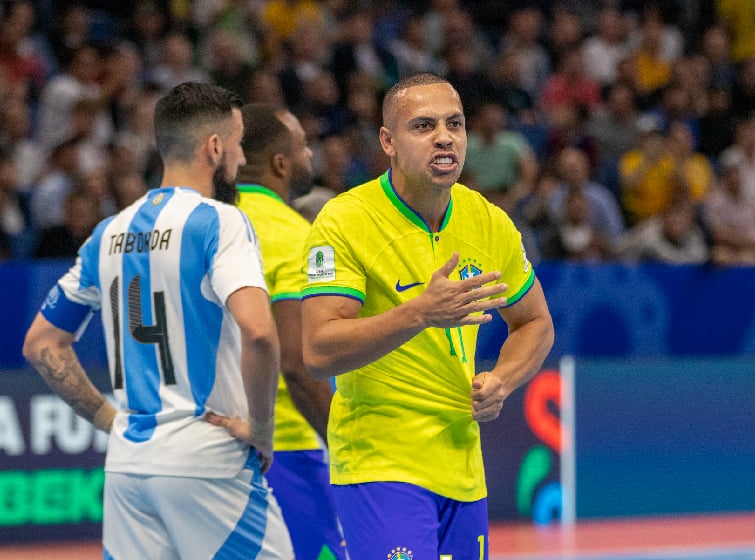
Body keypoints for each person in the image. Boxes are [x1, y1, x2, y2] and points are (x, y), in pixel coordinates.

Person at [21, 82, 293, 559]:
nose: (240, 155)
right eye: (237, 141)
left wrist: (108, 419)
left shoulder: (108, 232)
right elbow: (259, 331)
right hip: (207, 462)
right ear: (214, 147)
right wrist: (262, 429)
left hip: (128, 467)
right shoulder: (221, 221)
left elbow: (42, 344)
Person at [298, 73, 554, 557]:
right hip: (380, 462)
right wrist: (419, 312)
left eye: (454, 124)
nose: (444, 137)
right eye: (423, 126)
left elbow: (535, 323)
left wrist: (502, 378)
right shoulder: (345, 220)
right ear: (388, 142)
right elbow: (317, 349)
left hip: (462, 465)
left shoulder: (489, 221)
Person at [235, 102, 347, 560]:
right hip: (286, 447)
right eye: (302, 147)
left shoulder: (206, 222)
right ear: (280, 163)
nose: (310, 156)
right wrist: (346, 443)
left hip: (210, 443)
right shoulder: (295, 235)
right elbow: (299, 366)